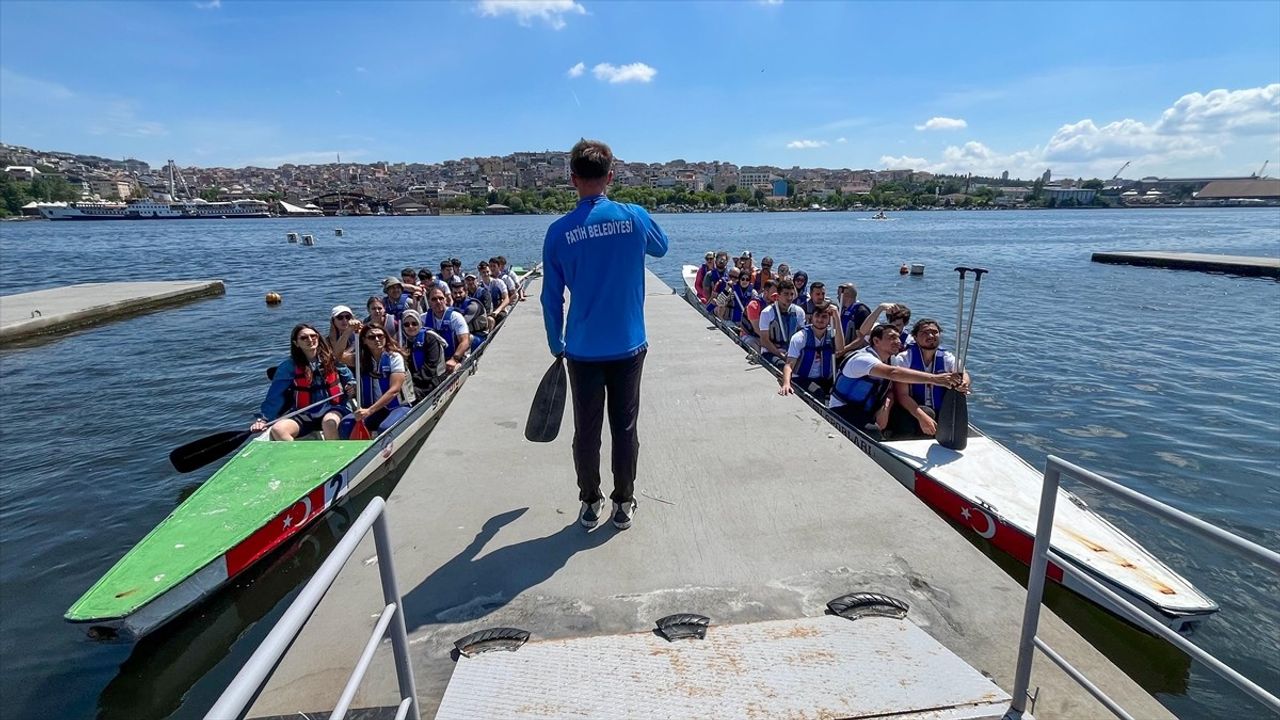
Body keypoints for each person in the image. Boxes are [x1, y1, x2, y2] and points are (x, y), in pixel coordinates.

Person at [542, 138, 669, 531]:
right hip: (629, 344)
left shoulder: (559, 232)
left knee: (586, 430)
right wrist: (634, 217)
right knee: (625, 427)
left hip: (581, 348)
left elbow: (551, 298)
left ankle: (590, 500)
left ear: (573, 179)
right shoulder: (634, 217)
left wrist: (555, 343)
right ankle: (624, 501)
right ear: (610, 176)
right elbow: (662, 248)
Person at [829, 324, 961, 439]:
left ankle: (907, 446)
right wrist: (935, 379)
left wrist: (886, 406)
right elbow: (892, 373)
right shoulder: (863, 360)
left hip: (872, 407)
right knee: (872, 433)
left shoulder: (891, 359)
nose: (898, 341)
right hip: (844, 408)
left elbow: (891, 390)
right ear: (876, 341)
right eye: (892, 338)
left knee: (925, 413)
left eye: (898, 337)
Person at [252, 324, 354, 441]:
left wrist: (351, 386)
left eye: (313, 336)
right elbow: (275, 394)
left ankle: (336, 455)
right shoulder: (288, 367)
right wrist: (263, 419)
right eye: (304, 338)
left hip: (334, 408)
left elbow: (349, 378)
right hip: (304, 413)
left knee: (328, 423)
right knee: (278, 429)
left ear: (318, 338)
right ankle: (295, 458)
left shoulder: (332, 359)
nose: (310, 340)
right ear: (296, 343)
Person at [890, 319, 969, 437]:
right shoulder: (904, 359)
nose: (931, 336)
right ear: (915, 337)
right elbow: (902, 396)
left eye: (935, 332)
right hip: (910, 410)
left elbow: (963, 373)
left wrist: (964, 383)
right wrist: (923, 417)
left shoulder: (947, 357)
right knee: (926, 413)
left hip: (938, 410)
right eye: (925, 333)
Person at [342, 324, 411, 436]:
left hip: (397, 407)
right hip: (372, 408)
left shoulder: (394, 357)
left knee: (385, 428)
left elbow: (395, 390)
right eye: (371, 337)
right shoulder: (361, 359)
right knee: (346, 424)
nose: (377, 339)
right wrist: (348, 331)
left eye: (380, 336)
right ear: (364, 340)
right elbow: (338, 355)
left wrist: (369, 411)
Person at [780, 301, 845, 396]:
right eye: (817, 316)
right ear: (812, 318)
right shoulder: (800, 337)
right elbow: (789, 365)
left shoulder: (832, 335)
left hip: (825, 378)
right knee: (819, 393)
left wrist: (837, 318)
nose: (820, 319)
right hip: (803, 378)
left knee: (842, 392)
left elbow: (840, 348)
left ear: (829, 319)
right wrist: (786, 383)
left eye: (824, 317)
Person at [401, 309, 449, 399]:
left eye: (414, 323)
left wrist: (413, 382)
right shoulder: (404, 342)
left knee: (411, 394)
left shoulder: (430, 338)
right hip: (415, 380)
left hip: (433, 379)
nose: (410, 327)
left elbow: (431, 366)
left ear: (419, 323)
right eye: (406, 325)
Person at [422, 286, 471, 373]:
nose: (438, 302)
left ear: (445, 300)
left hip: (454, 358)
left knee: (452, 368)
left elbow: (465, 341)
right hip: (434, 360)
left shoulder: (455, 317)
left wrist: (454, 359)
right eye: (434, 299)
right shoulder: (423, 318)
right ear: (429, 302)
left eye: (441, 298)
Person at [757, 278, 806, 365]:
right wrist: (781, 355)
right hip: (771, 352)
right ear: (778, 295)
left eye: (792, 294)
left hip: (792, 351)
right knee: (782, 366)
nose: (789, 297)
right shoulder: (767, 313)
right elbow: (764, 340)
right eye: (786, 294)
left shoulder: (799, 312)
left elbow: (801, 335)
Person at [451, 276, 491, 350]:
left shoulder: (473, 305)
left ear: (466, 292)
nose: (457, 295)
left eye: (460, 292)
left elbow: (461, 323)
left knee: (461, 338)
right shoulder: (455, 304)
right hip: (465, 333)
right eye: (455, 293)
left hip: (479, 336)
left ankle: (463, 358)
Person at [740, 278, 776, 351]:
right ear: (766, 292)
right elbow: (757, 329)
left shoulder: (776, 304)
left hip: (770, 337)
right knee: (753, 344)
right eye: (773, 293)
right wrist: (771, 343)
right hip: (751, 335)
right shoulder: (754, 305)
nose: (776, 295)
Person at [327, 305, 362, 369]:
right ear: (333, 321)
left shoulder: (358, 334)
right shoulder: (328, 340)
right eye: (340, 317)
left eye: (348, 317)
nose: (344, 320)